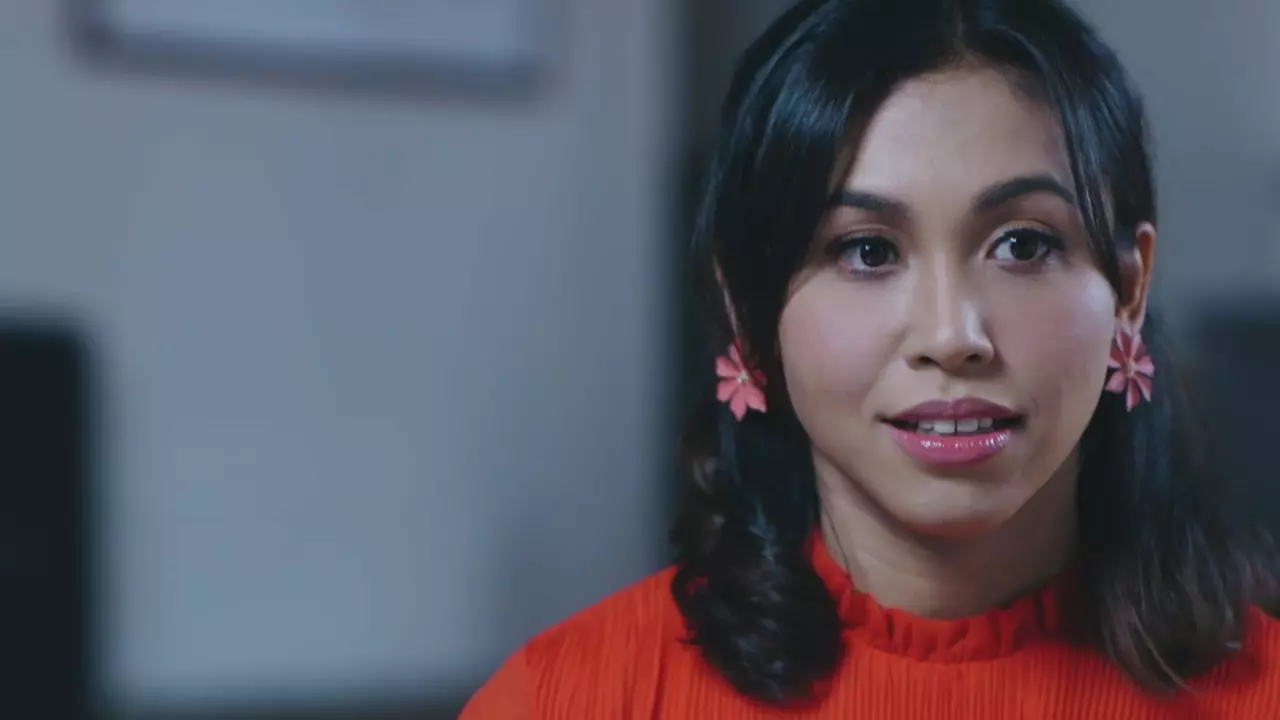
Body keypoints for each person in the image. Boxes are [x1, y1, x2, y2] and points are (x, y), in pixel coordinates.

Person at [461, 0, 1280, 716]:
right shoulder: (567, 702)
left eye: (1023, 244)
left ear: (1130, 287)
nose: (951, 335)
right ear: (748, 308)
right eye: (867, 251)